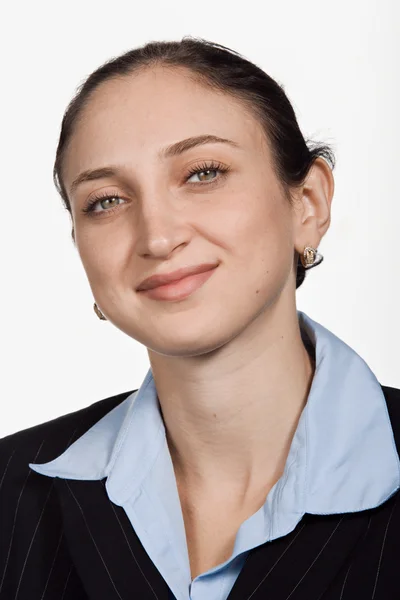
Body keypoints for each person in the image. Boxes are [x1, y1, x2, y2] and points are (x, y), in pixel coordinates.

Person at [0, 36, 399, 600]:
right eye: (106, 201)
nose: (158, 237)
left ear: (307, 203)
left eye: (203, 173)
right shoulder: (9, 490)